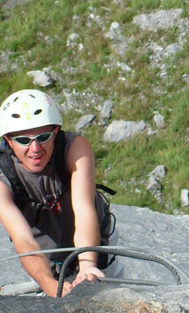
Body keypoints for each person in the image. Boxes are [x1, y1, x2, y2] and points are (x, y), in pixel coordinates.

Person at [0, 89, 120, 297]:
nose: (35, 148)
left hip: (96, 245)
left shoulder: (74, 147)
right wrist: (48, 284)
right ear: (8, 141)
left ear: (56, 132)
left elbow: (84, 211)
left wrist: (87, 266)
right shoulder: (3, 174)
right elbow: (22, 239)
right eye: (23, 140)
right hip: (46, 256)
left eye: (43, 137)